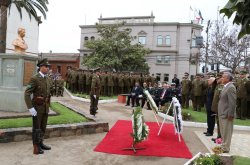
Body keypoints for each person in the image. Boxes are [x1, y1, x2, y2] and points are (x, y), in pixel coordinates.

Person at [24, 58, 51, 155]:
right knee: (36, 128)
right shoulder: (34, 78)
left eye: (48, 67)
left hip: (45, 107)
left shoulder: (48, 78)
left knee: (43, 127)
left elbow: (48, 94)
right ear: (40, 67)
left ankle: (41, 143)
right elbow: (27, 94)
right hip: (37, 108)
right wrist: (30, 108)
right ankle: (36, 147)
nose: (47, 68)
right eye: (46, 66)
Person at [217, 72, 236, 153]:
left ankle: (225, 148)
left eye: (223, 77)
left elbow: (232, 102)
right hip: (222, 113)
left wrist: (231, 114)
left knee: (227, 132)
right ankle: (223, 146)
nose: (221, 78)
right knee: (223, 131)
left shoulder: (231, 87)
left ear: (228, 79)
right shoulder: (225, 86)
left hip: (227, 114)